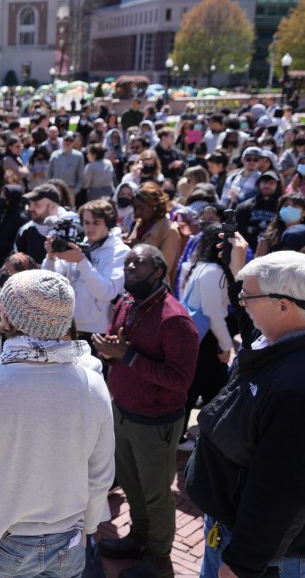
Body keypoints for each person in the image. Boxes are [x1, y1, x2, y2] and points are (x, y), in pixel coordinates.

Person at [0, 270, 115, 577]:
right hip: (67, 542)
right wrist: (91, 524)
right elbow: (100, 473)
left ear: (8, 317)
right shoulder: (93, 384)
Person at [186, 249, 305, 578]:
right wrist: (236, 267)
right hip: (234, 527)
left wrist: (242, 562)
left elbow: (282, 492)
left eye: (247, 296)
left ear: (283, 305)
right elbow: (250, 323)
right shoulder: (282, 341)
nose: (240, 301)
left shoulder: (297, 390)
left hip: (265, 555)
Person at [93, 245, 199, 578]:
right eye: (127, 263)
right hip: (123, 410)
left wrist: (127, 357)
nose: (130, 267)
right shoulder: (127, 302)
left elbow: (181, 381)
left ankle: (159, 558)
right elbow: (120, 343)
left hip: (155, 421)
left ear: (159, 271)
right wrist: (110, 352)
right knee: (130, 484)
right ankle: (138, 539)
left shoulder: (175, 319)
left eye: (139, 262)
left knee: (156, 495)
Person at [176, 224, 234, 451]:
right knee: (203, 389)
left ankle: (204, 435)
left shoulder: (201, 266)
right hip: (206, 340)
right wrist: (227, 345)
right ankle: (186, 438)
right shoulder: (213, 271)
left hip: (200, 337)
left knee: (211, 389)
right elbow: (214, 314)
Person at [44, 199, 130, 339]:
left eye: (96, 223)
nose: (90, 228)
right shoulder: (78, 246)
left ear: (108, 223)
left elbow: (107, 292)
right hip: (70, 327)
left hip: (99, 331)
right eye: (86, 222)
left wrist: (81, 261)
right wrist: (51, 257)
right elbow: (49, 283)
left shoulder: (119, 251)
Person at [127, 182, 181, 287]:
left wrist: (138, 247)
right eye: (135, 208)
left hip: (154, 293)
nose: (137, 213)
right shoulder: (141, 223)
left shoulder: (169, 231)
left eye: (141, 208)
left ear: (154, 206)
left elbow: (163, 269)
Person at [13, 182, 74, 264]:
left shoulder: (72, 228)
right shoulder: (26, 230)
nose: (31, 208)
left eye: (36, 204)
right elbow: (17, 261)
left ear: (53, 206)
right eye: (30, 203)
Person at [48, 132, 85, 197]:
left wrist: (75, 191)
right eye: (66, 140)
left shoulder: (79, 156)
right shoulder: (54, 154)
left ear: (73, 142)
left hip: (70, 189)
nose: (68, 142)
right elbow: (49, 173)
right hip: (55, 189)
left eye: (70, 140)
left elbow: (81, 177)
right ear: (62, 140)